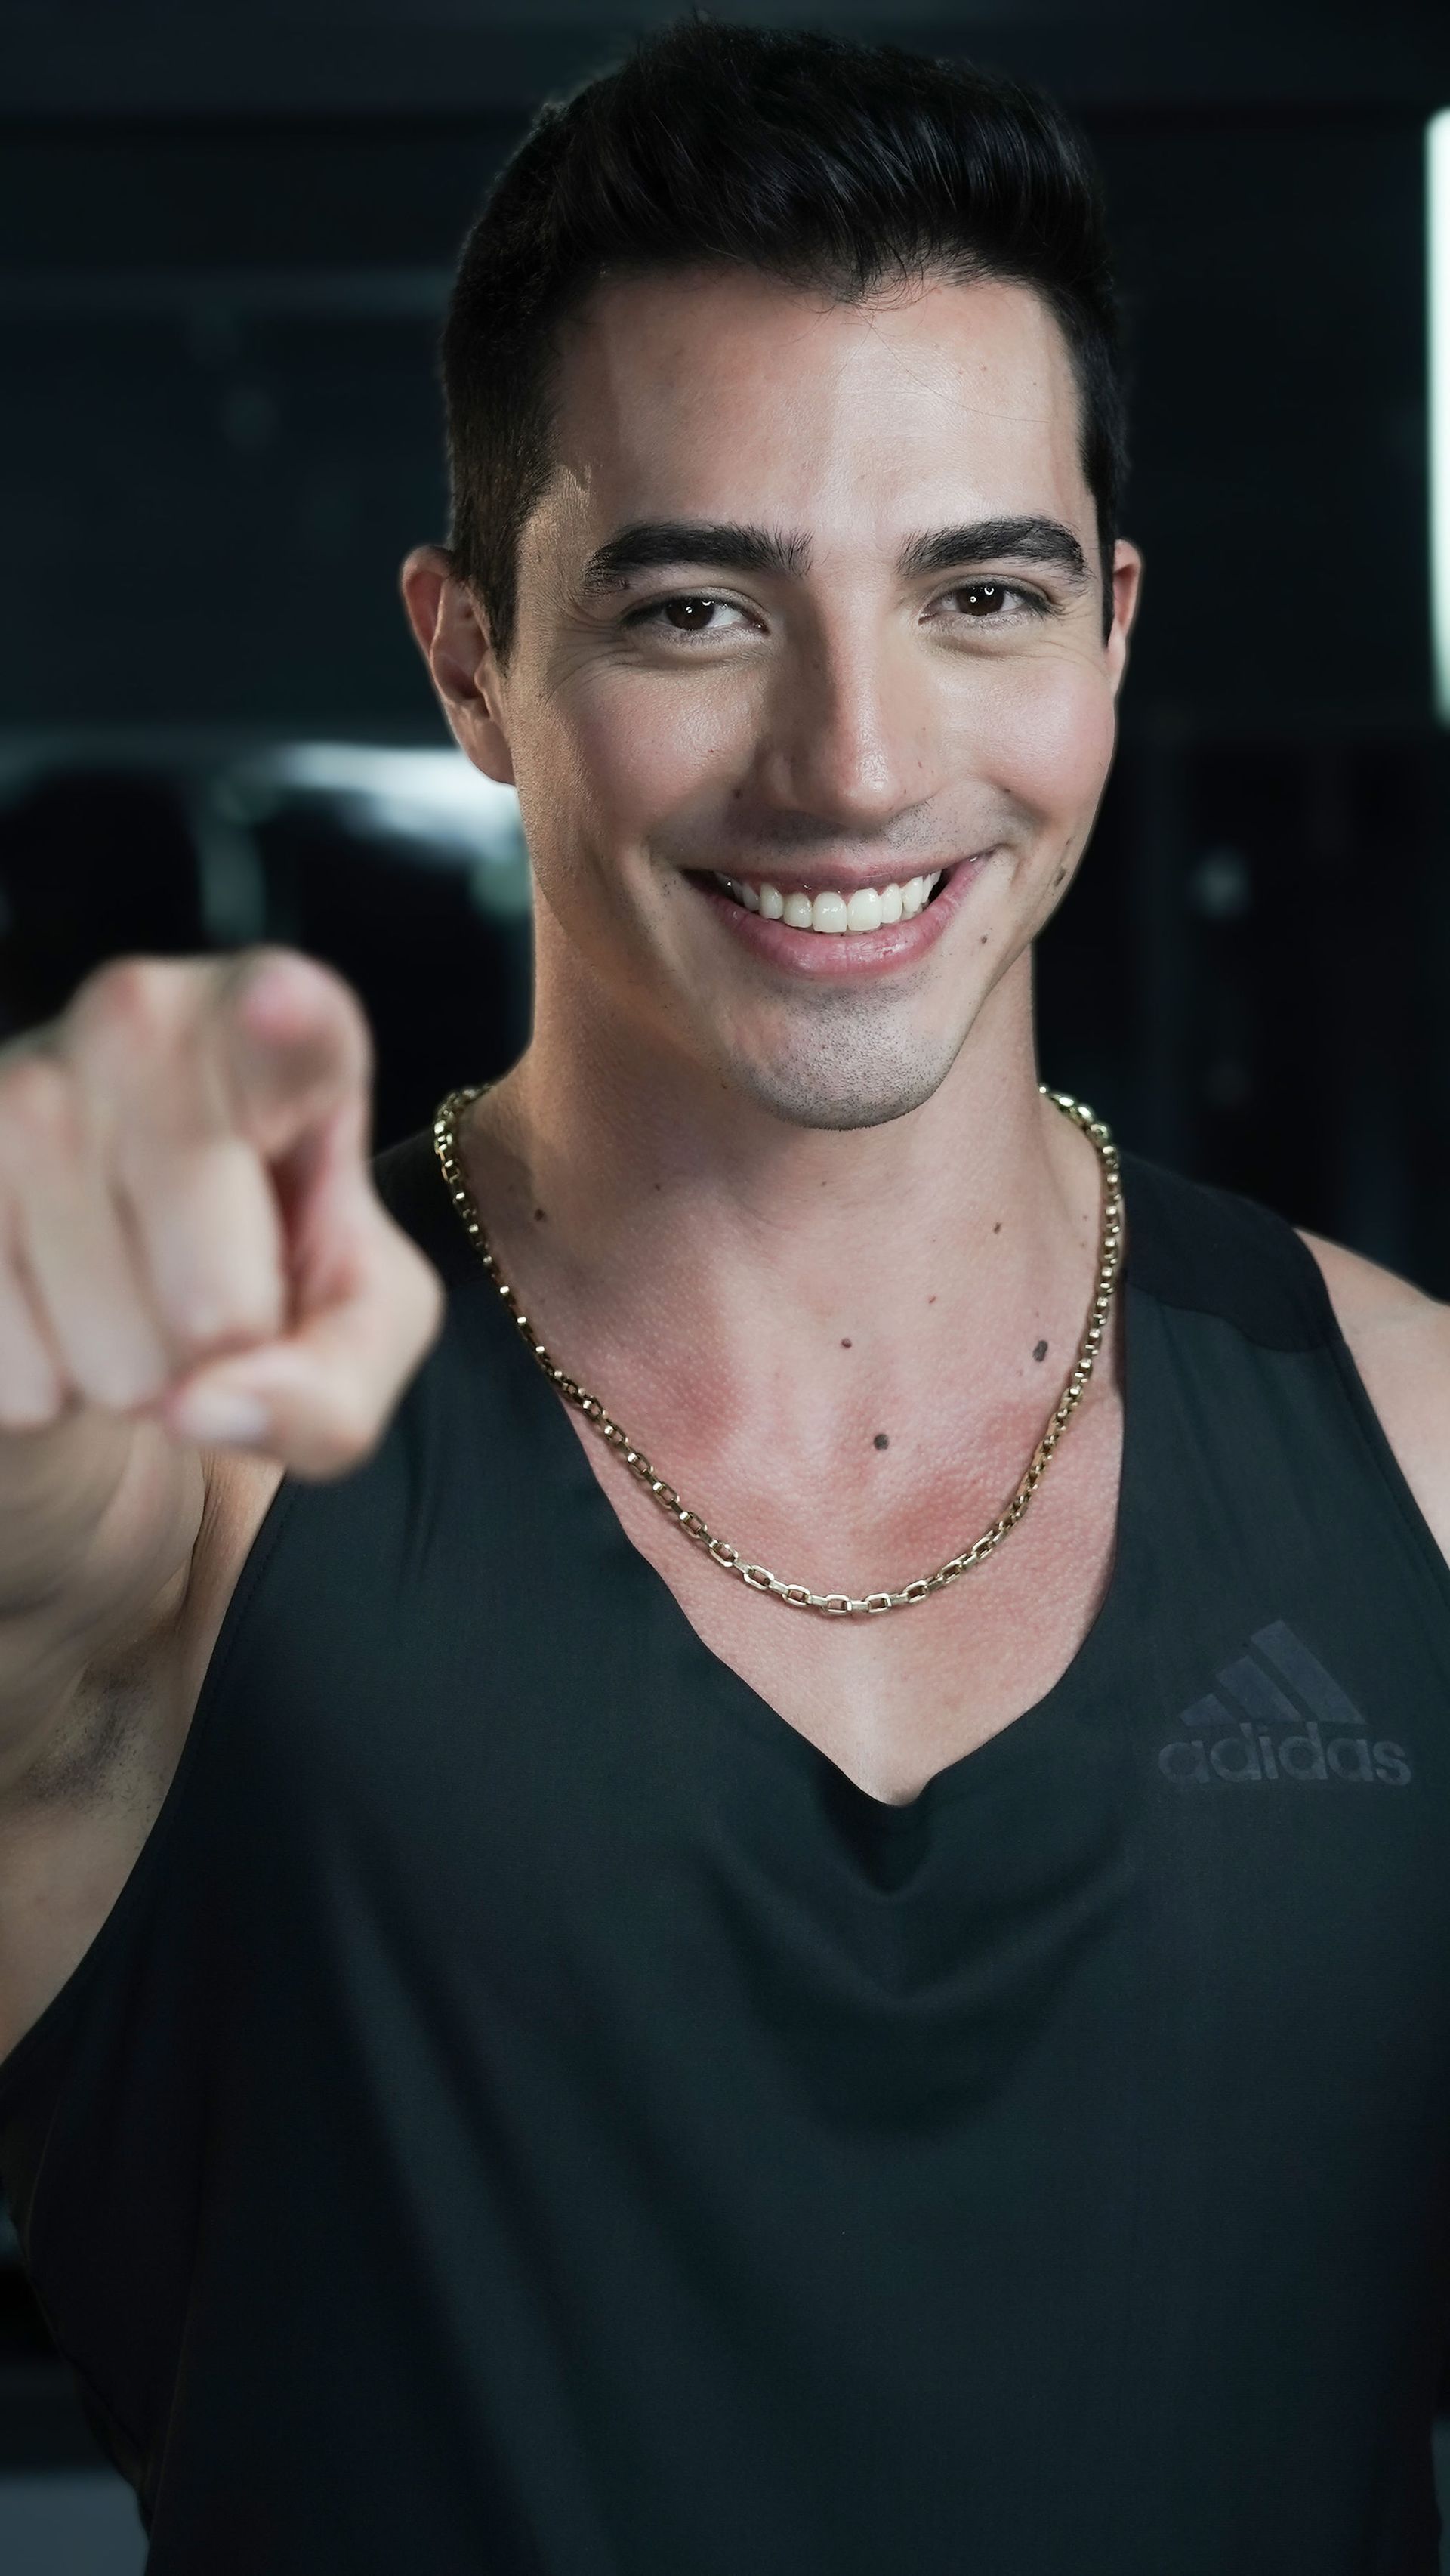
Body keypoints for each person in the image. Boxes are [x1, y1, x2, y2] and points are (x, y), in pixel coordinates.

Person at [1, 21, 1448, 2571]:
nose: (857, 762)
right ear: (470, 661)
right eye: (697, 605)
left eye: (978, 593)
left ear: (1108, 637)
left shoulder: (1420, 1448)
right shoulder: (189, 1484)